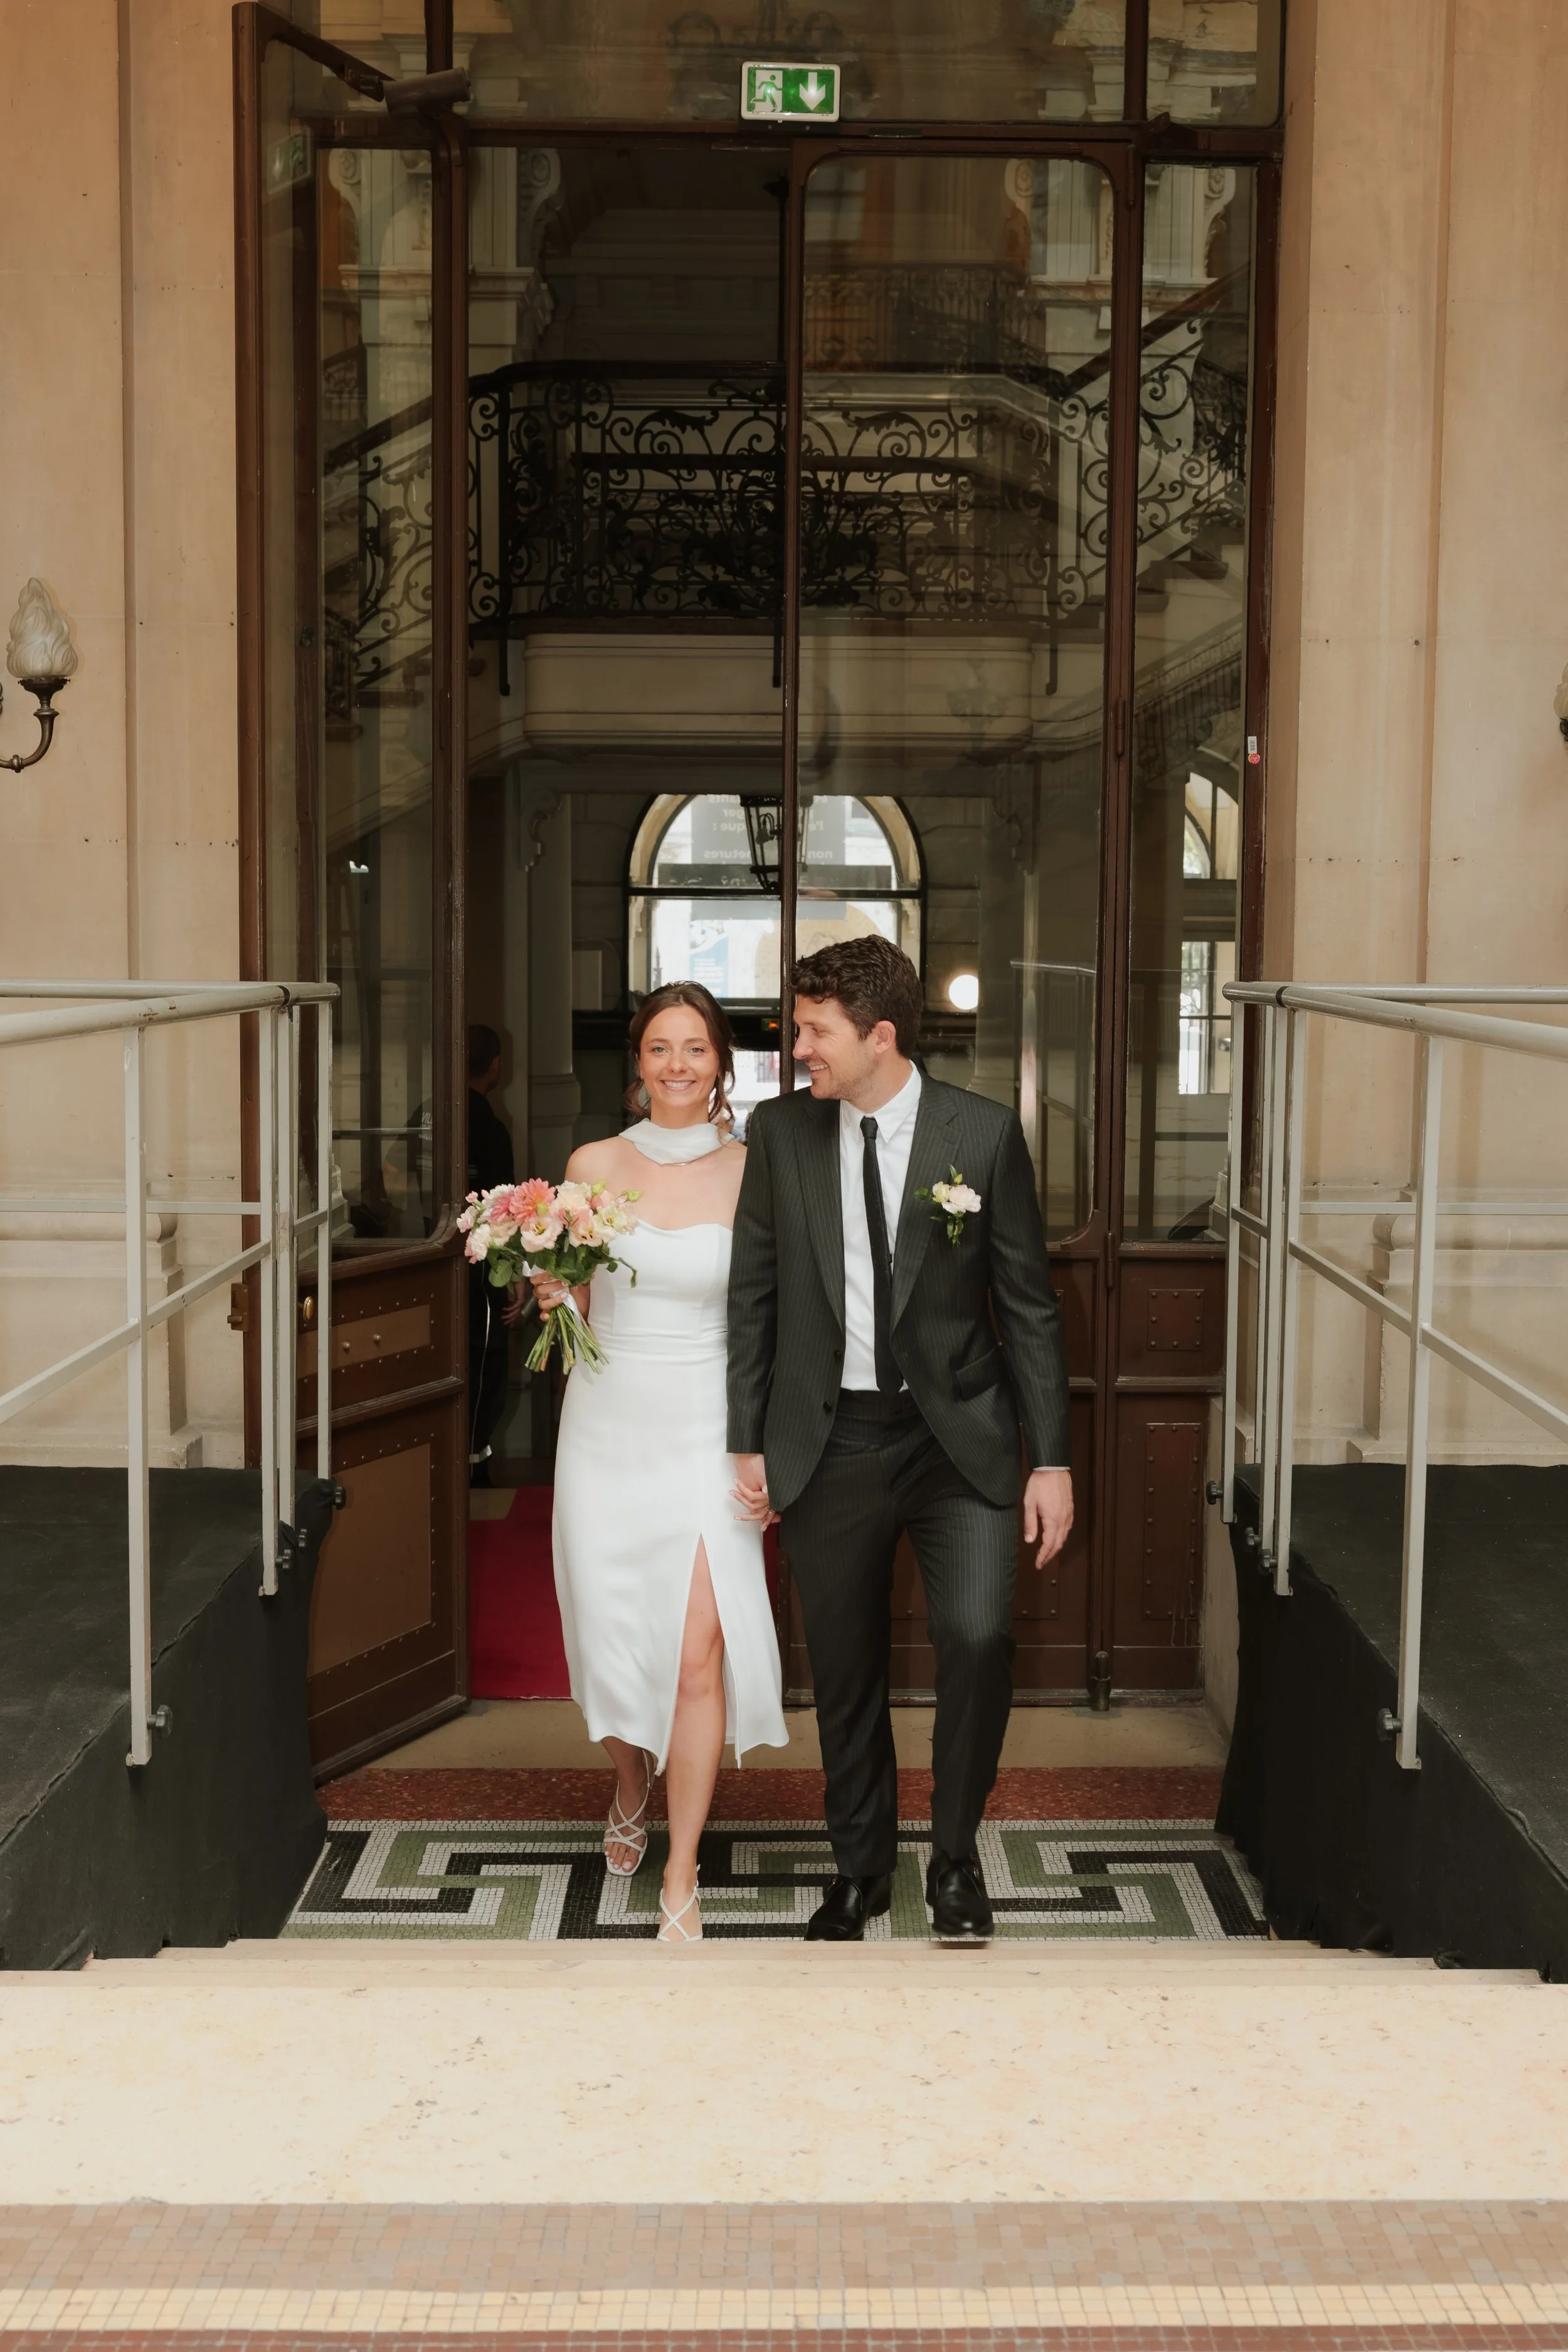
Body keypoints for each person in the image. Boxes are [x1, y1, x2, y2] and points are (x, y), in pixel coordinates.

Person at [727, 935, 1073, 1945]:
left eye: (816, 1029)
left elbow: (1030, 1310)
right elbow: (756, 1295)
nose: (799, 1048)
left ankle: (956, 1859)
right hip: (829, 1439)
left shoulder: (984, 1132)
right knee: (844, 1664)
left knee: (976, 1636)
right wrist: (748, 1437)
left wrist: (1048, 1459)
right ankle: (861, 1868)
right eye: (800, 1027)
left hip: (957, 1437)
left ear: (880, 1036)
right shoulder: (781, 1133)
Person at [528, 983, 788, 1942]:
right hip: (607, 1425)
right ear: (635, 1061)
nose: (677, 1063)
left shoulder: (757, 1170)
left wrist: (768, 1452)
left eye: (695, 1047)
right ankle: (627, 1778)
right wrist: (554, 1291)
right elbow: (581, 1313)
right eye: (658, 1047)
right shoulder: (592, 1163)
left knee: (693, 1655)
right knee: (606, 1630)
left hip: (710, 1428)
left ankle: (682, 1863)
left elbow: (777, 1321)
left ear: (721, 1060)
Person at [467, 1024, 517, 1487]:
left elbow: (392, 1179)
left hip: (430, 1262)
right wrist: (512, 1277)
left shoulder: (427, 1113)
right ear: (496, 1067)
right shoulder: (489, 1128)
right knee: (485, 1367)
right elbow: (501, 1212)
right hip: (480, 1275)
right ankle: (474, 1465)